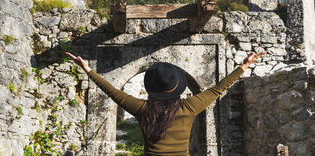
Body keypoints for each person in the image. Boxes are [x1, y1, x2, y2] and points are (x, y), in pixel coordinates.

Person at [66, 51, 265, 155]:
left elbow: (113, 92)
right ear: (177, 86)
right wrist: (244, 65)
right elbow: (218, 89)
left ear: (152, 88)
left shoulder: (143, 109)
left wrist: (88, 70)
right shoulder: (188, 107)